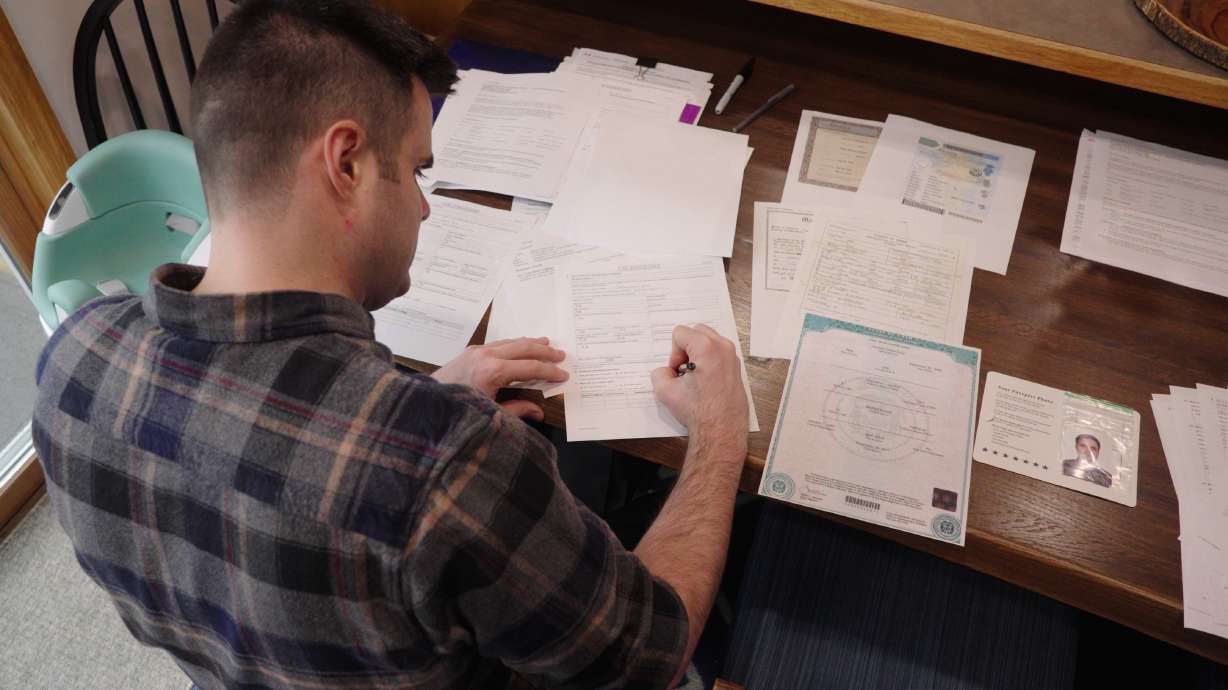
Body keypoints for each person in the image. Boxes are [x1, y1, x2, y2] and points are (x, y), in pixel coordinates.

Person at [30, 1, 749, 688]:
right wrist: (719, 431)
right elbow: (649, 653)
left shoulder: (73, 361)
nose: (424, 203)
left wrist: (424, 398)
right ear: (346, 163)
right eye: (415, 170)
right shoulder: (448, 465)